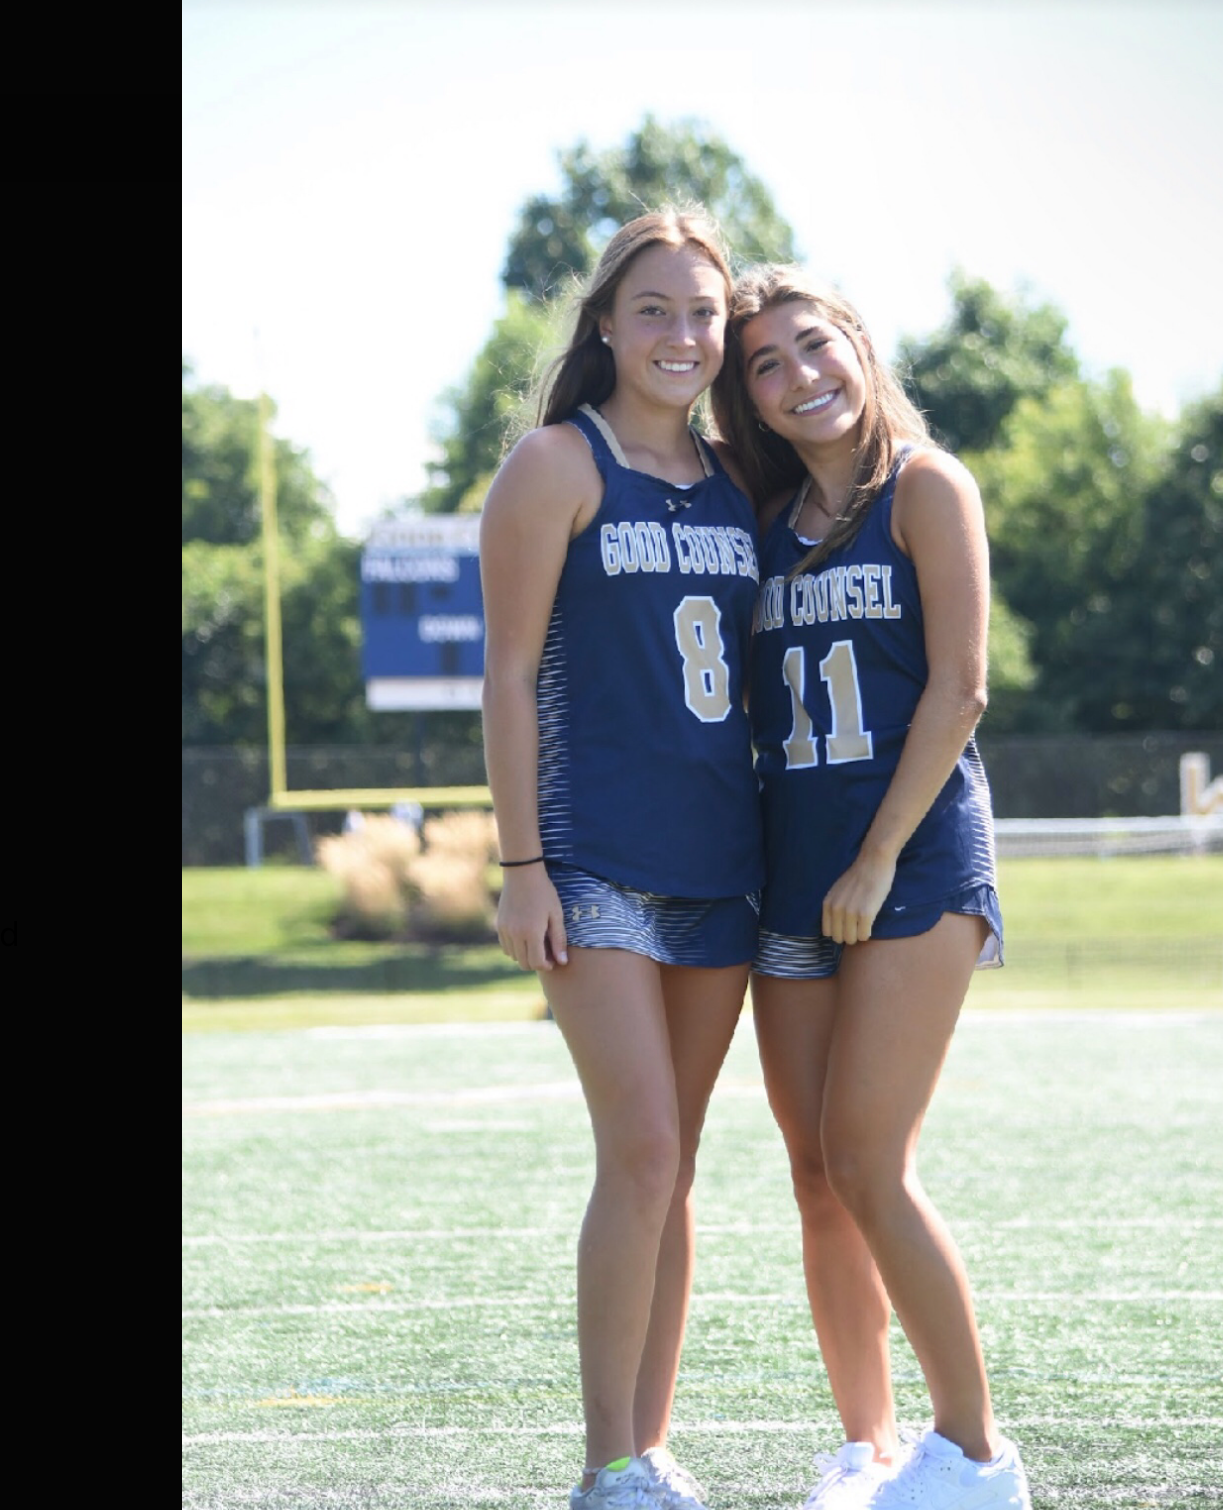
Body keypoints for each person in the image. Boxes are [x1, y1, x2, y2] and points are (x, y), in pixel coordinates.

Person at [709, 266, 1029, 1510]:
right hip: (793, 873)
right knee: (814, 1175)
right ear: (750, 400)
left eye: (814, 343)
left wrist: (878, 855)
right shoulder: (763, 520)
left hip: (909, 863)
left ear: (858, 342)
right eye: (766, 365)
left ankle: (978, 1456)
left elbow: (961, 688)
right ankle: (869, 1448)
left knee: (868, 1159)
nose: (799, 375)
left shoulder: (927, 486)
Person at [480, 206, 764, 1510]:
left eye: (704, 312)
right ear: (605, 321)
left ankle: (650, 1449)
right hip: (592, 859)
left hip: (722, 862)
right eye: (654, 308)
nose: (681, 334)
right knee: (642, 1148)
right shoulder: (557, 463)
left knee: (678, 1164)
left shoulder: (741, 479)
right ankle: (606, 1466)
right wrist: (522, 864)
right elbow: (508, 674)